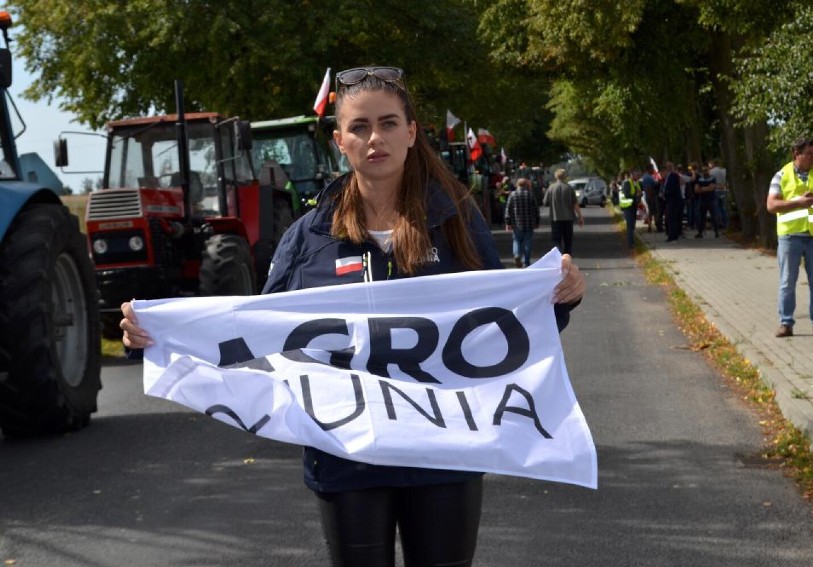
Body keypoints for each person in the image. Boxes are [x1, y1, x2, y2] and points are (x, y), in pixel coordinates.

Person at [119, 65, 586, 567]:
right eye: (359, 127)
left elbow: (500, 329)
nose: (374, 138)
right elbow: (256, 336)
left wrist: (558, 299)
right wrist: (157, 336)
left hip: (446, 457)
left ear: (411, 133)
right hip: (346, 461)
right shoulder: (307, 236)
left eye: (387, 123)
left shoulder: (457, 219)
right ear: (339, 140)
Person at [767, 136, 813, 338]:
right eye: (808, 154)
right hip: (790, 237)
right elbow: (771, 205)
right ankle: (786, 323)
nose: (812, 157)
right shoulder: (781, 175)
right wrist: (798, 203)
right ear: (796, 154)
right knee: (787, 281)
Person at [543, 168, 584, 255]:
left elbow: (545, 202)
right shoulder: (569, 188)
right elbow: (575, 204)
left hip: (555, 218)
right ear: (565, 177)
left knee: (556, 241)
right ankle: (567, 260)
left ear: (555, 176)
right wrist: (580, 217)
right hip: (568, 218)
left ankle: (557, 259)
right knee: (568, 242)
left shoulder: (551, 188)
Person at [504, 176, 540, 267]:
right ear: (526, 185)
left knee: (516, 240)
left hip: (516, 223)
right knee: (528, 242)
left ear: (517, 185)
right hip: (529, 223)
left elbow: (508, 209)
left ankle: (516, 255)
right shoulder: (530, 194)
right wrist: (537, 221)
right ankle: (526, 261)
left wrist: (508, 222)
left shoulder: (513, 195)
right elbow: (536, 209)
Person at [693, 165, 719, 238]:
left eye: (706, 170)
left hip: (711, 200)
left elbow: (711, 188)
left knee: (714, 216)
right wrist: (706, 188)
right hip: (703, 200)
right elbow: (696, 190)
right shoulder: (700, 179)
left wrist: (702, 189)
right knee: (701, 217)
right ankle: (700, 232)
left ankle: (716, 232)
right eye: (704, 171)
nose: (705, 172)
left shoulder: (712, 178)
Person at [619, 167, 642, 249]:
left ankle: (632, 241)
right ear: (632, 174)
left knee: (632, 225)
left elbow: (639, 192)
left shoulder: (636, 183)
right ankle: (630, 243)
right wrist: (636, 195)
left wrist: (639, 195)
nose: (638, 176)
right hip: (627, 206)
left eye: (639, 174)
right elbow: (627, 194)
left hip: (633, 206)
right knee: (630, 224)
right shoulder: (627, 183)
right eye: (637, 174)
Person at [662, 162, 684, 242]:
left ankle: (672, 235)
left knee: (672, 219)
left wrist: (666, 193)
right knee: (672, 218)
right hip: (671, 200)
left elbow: (673, 189)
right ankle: (673, 234)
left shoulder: (673, 176)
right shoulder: (670, 176)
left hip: (673, 201)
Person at [708, 158, 728, 230]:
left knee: (716, 208)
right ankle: (726, 222)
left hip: (715, 190)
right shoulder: (724, 170)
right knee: (723, 207)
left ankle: (719, 223)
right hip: (723, 189)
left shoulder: (711, 172)